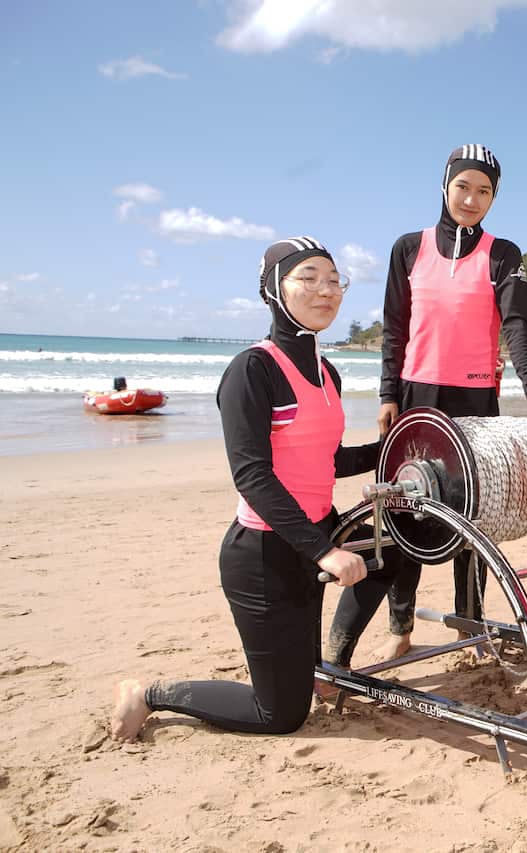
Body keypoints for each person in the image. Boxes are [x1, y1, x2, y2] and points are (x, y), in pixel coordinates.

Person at [111, 237, 378, 741]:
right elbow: (252, 474)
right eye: (309, 278)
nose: (326, 290)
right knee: (279, 716)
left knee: (397, 555)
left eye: (334, 279)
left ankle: (310, 670)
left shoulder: (328, 372)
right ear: (274, 289)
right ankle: (147, 694)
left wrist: (395, 446)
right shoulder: (253, 370)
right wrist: (324, 550)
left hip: (313, 540)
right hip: (263, 556)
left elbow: (328, 459)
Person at [324, 145, 527, 667]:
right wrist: (386, 393)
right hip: (415, 395)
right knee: (405, 513)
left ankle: (470, 628)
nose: (472, 199)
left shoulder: (503, 254)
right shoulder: (409, 248)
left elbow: (516, 325)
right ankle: (401, 627)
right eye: (463, 187)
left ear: (495, 197)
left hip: (475, 400)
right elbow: (395, 327)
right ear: (445, 186)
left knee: (474, 514)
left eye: (485, 191)